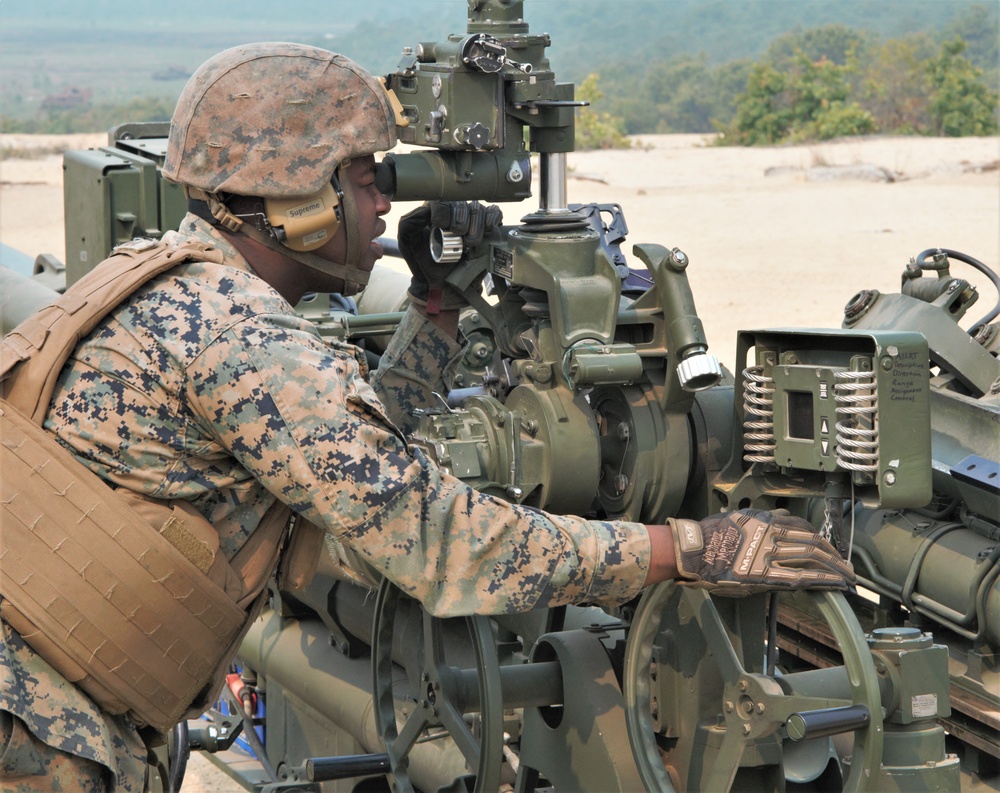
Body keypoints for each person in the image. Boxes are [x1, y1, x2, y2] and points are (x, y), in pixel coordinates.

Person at [0, 42, 853, 791]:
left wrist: (438, 306)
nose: (384, 203)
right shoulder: (245, 340)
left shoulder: (165, 273)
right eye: (367, 177)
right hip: (38, 723)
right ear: (296, 198)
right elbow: (439, 539)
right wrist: (686, 549)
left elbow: (346, 452)